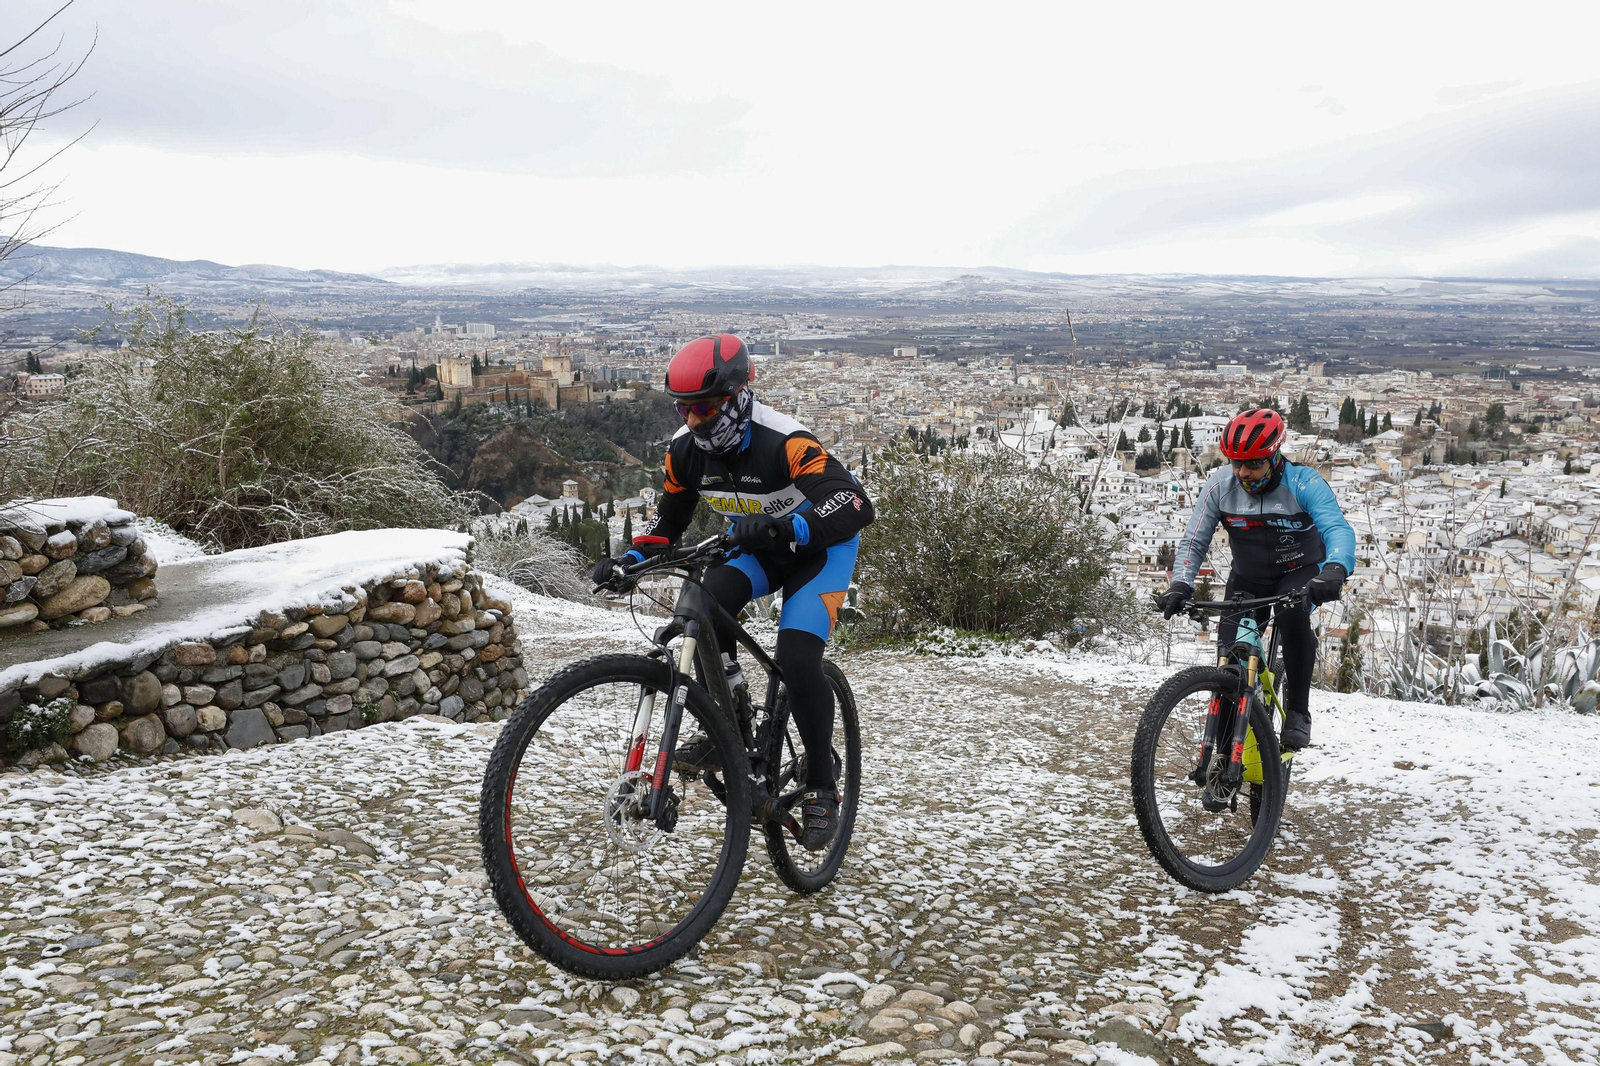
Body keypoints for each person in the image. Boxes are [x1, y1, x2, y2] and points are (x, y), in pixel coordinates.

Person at [591, 333, 874, 848]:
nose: (695, 421)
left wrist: (791, 527)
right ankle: (733, 729)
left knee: (796, 655)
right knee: (704, 606)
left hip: (819, 549)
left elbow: (854, 504)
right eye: (685, 410)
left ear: (741, 395)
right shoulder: (685, 454)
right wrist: (630, 560)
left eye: (706, 408)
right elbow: (667, 523)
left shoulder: (783, 441)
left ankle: (820, 784)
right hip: (758, 546)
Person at [1157, 408, 1355, 750]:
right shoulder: (1221, 485)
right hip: (1248, 579)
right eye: (1236, 463)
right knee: (1230, 657)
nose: (1243, 472)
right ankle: (1220, 749)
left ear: (1275, 456)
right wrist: (1181, 583)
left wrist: (1335, 568)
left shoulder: (1304, 483)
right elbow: (1195, 539)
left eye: (1253, 464)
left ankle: (1298, 711)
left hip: (1299, 573)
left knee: (1294, 617)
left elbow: (1337, 528)